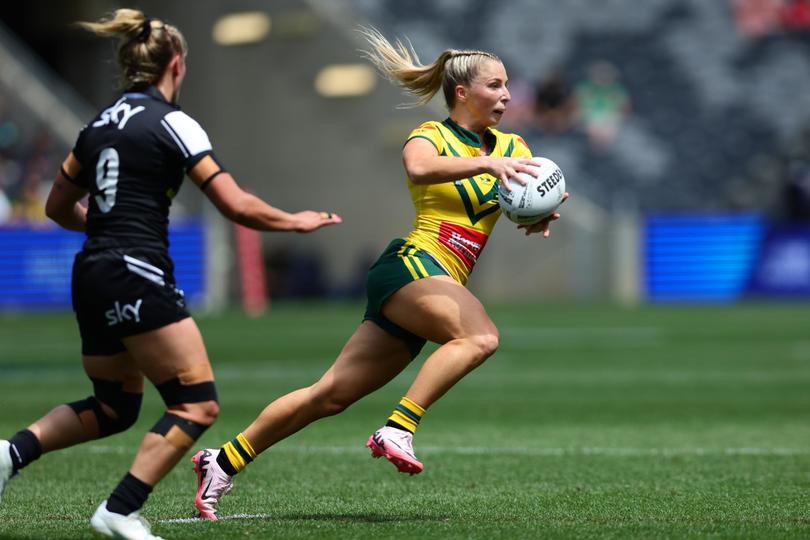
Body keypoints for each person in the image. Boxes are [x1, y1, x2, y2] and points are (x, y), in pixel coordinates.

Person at [190, 26, 568, 521]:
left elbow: (520, 194)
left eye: (506, 85)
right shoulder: (431, 135)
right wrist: (490, 164)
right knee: (479, 338)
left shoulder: (514, 146)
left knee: (329, 395)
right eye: (495, 85)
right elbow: (419, 169)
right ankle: (398, 427)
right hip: (411, 265)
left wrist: (536, 212)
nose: (507, 95)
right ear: (462, 92)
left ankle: (222, 460)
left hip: (440, 280)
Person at [0, 9, 341, 540]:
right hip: (137, 269)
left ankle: (9, 453)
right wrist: (294, 221)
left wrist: (102, 227)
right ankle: (119, 509)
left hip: (91, 273)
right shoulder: (172, 121)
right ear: (176, 64)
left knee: (114, 407)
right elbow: (234, 203)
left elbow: (56, 207)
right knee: (196, 403)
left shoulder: (98, 126)